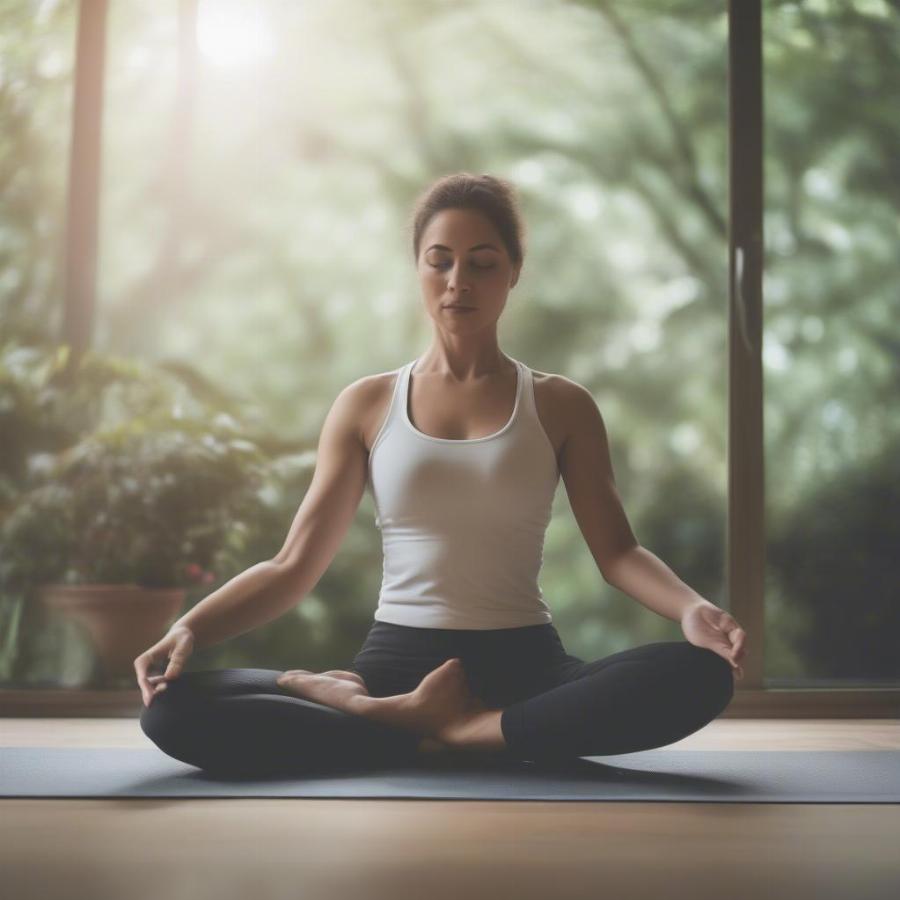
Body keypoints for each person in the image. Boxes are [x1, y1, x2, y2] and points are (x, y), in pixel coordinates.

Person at [137, 172, 747, 776]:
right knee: (173, 712)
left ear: (514, 273)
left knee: (698, 674)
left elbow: (618, 553)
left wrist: (690, 608)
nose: (459, 282)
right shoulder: (366, 404)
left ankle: (423, 728)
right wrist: (189, 626)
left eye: (483, 263)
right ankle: (450, 727)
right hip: (393, 667)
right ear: (419, 271)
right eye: (441, 262)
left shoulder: (562, 405)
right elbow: (293, 566)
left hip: (526, 670)